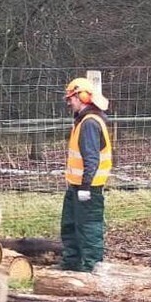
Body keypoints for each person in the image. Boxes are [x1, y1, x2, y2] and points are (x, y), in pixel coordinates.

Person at [60, 76, 113, 272]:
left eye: (71, 98)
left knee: (89, 229)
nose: (69, 102)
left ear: (82, 96)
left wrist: (85, 187)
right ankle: (71, 265)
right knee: (70, 226)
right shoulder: (82, 121)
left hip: (88, 188)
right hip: (76, 185)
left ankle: (92, 268)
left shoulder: (90, 123)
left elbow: (92, 159)